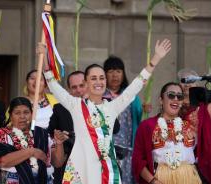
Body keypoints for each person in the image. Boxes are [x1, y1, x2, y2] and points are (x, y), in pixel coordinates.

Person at [41, 39, 171, 183]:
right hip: (81, 169)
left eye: (102, 78)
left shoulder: (112, 107)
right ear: (86, 83)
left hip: (107, 171)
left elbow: (136, 85)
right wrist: (45, 58)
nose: (99, 82)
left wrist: (156, 58)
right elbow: (53, 85)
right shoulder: (75, 105)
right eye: (94, 78)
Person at [133, 63, 211, 184]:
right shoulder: (147, 126)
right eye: (171, 95)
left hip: (189, 178)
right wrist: (153, 181)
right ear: (161, 100)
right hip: (160, 178)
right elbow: (138, 160)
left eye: (179, 97)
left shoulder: (192, 121)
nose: (175, 99)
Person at [0, 97, 69, 184]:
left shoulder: (42, 133)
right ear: (10, 116)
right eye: (17, 113)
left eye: (26, 112)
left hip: (44, 180)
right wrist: (31, 152)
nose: (22, 116)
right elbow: (2, 162)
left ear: (32, 114)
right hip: (15, 180)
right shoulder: (3, 133)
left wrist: (59, 143)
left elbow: (57, 163)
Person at [103, 56, 143, 183]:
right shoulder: (100, 95)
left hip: (126, 150)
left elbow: (138, 116)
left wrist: (144, 109)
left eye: (118, 71)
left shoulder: (130, 95)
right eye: (110, 71)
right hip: (105, 150)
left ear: (123, 74)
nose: (115, 75)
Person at [47, 71, 87, 184]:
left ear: (88, 85)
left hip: (94, 164)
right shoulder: (60, 109)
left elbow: (116, 128)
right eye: (74, 87)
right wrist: (61, 136)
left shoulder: (101, 105)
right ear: (69, 90)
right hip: (68, 164)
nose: (79, 90)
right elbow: (51, 133)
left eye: (82, 85)